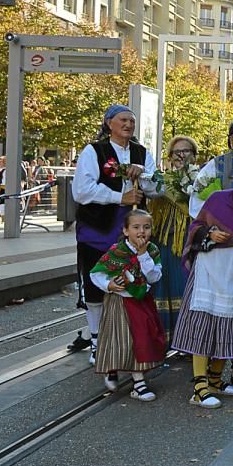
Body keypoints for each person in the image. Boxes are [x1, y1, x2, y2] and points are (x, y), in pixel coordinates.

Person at [171, 158, 233, 408]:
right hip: (210, 269)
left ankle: (215, 379)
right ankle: (199, 386)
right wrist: (210, 234)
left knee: (228, 325)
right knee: (203, 325)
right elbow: (196, 228)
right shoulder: (217, 199)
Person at [71, 105, 157, 362]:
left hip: (133, 230)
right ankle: (97, 340)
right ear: (109, 123)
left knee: (131, 283)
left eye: (132, 120)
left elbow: (157, 188)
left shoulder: (142, 153)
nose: (128, 124)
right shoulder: (94, 151)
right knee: (95, 283)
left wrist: (144, 176)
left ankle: (129, 337)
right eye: (123, 120)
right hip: (98, 228)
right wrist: (119, 197)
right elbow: (82, 190)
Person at [90, 208, 166, 402]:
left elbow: (154, 276)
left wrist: (143, 256)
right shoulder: (117, 252)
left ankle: (138, 380)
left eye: (146, 227)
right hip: (119, 302)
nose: (141, 231)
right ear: (125, 231)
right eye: (136, 227)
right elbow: (96, 273)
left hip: (141, 301)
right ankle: (114, 370)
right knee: (119, 339)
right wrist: (109, 285)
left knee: (140, 338)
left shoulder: (152, 251)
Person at [148, 136, 199, 340]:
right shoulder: (161, 181)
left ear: (194, 155)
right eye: (176, 152)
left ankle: (189, 338)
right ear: (169, 157)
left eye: (186, 151)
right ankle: (166, 338)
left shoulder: (201, 180)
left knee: (187, 284)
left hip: (191, 240)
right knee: (166, 284)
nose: (181, 155)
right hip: (166, 241)